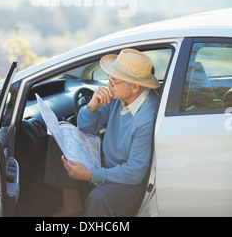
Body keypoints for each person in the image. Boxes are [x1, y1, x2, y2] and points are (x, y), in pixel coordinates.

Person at [44, 48, 160, 217]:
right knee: (59, 137)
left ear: (134, 87)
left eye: (114, 81)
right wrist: (92, 106)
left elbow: (135, 172)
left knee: (100, 198)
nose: (108, 84)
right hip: (106, 162)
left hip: (128, 181)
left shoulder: (147, 117)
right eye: (109, 78)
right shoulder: (118, 97)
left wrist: (90, 175)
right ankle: (73, 209)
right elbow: (87, 129)